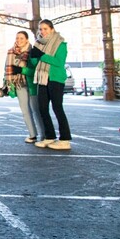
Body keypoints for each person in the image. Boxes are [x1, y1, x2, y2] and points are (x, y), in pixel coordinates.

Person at [31, 19, 72, 150]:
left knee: (57, 107)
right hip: (42, 78)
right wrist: (33, 56)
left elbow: (59, 62)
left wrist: (42, 56)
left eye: (45, 29)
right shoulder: (39, 44)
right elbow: (34, 64)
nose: (42, 32)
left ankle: (65, 139)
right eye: (40, 29)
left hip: (55, 78)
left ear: (52, 29)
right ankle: (49, 136)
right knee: (42, 108)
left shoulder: (61, 43)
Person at [5, 31, 42, 143]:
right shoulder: (11, 52)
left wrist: (22, 70)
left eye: (21, 38)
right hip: (19, 83)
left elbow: (36, 70)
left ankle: (44, 134)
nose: (19, 40)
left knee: (36, 109)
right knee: (25, 110)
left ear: (27, 39)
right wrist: (8, 83)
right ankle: (32, 134)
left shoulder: (32, 51)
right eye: (17, 38)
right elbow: (6, 68)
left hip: (32, 83)